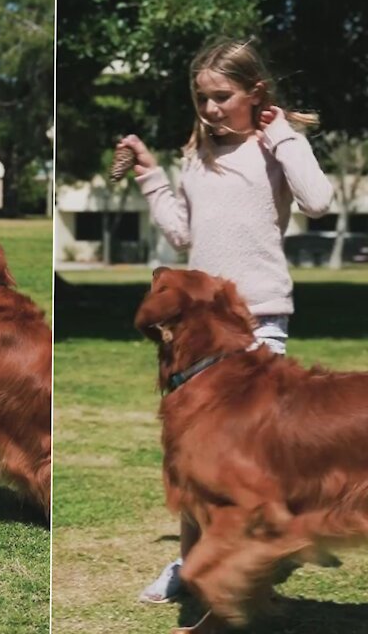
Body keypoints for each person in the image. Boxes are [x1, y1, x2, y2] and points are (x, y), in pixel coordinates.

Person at [115, 37, 334, 602]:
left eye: (222, 96)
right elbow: (185, 233)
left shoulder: (276, 148)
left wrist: (281, 132)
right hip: (197, 334)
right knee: (192, 455)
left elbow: (319, 200)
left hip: (259, 327)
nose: (211, 108)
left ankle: (257, 560)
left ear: (254, 92)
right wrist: (150, 175)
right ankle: (190, 566)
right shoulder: (199, 156)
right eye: (202, 97)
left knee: (250, 460)